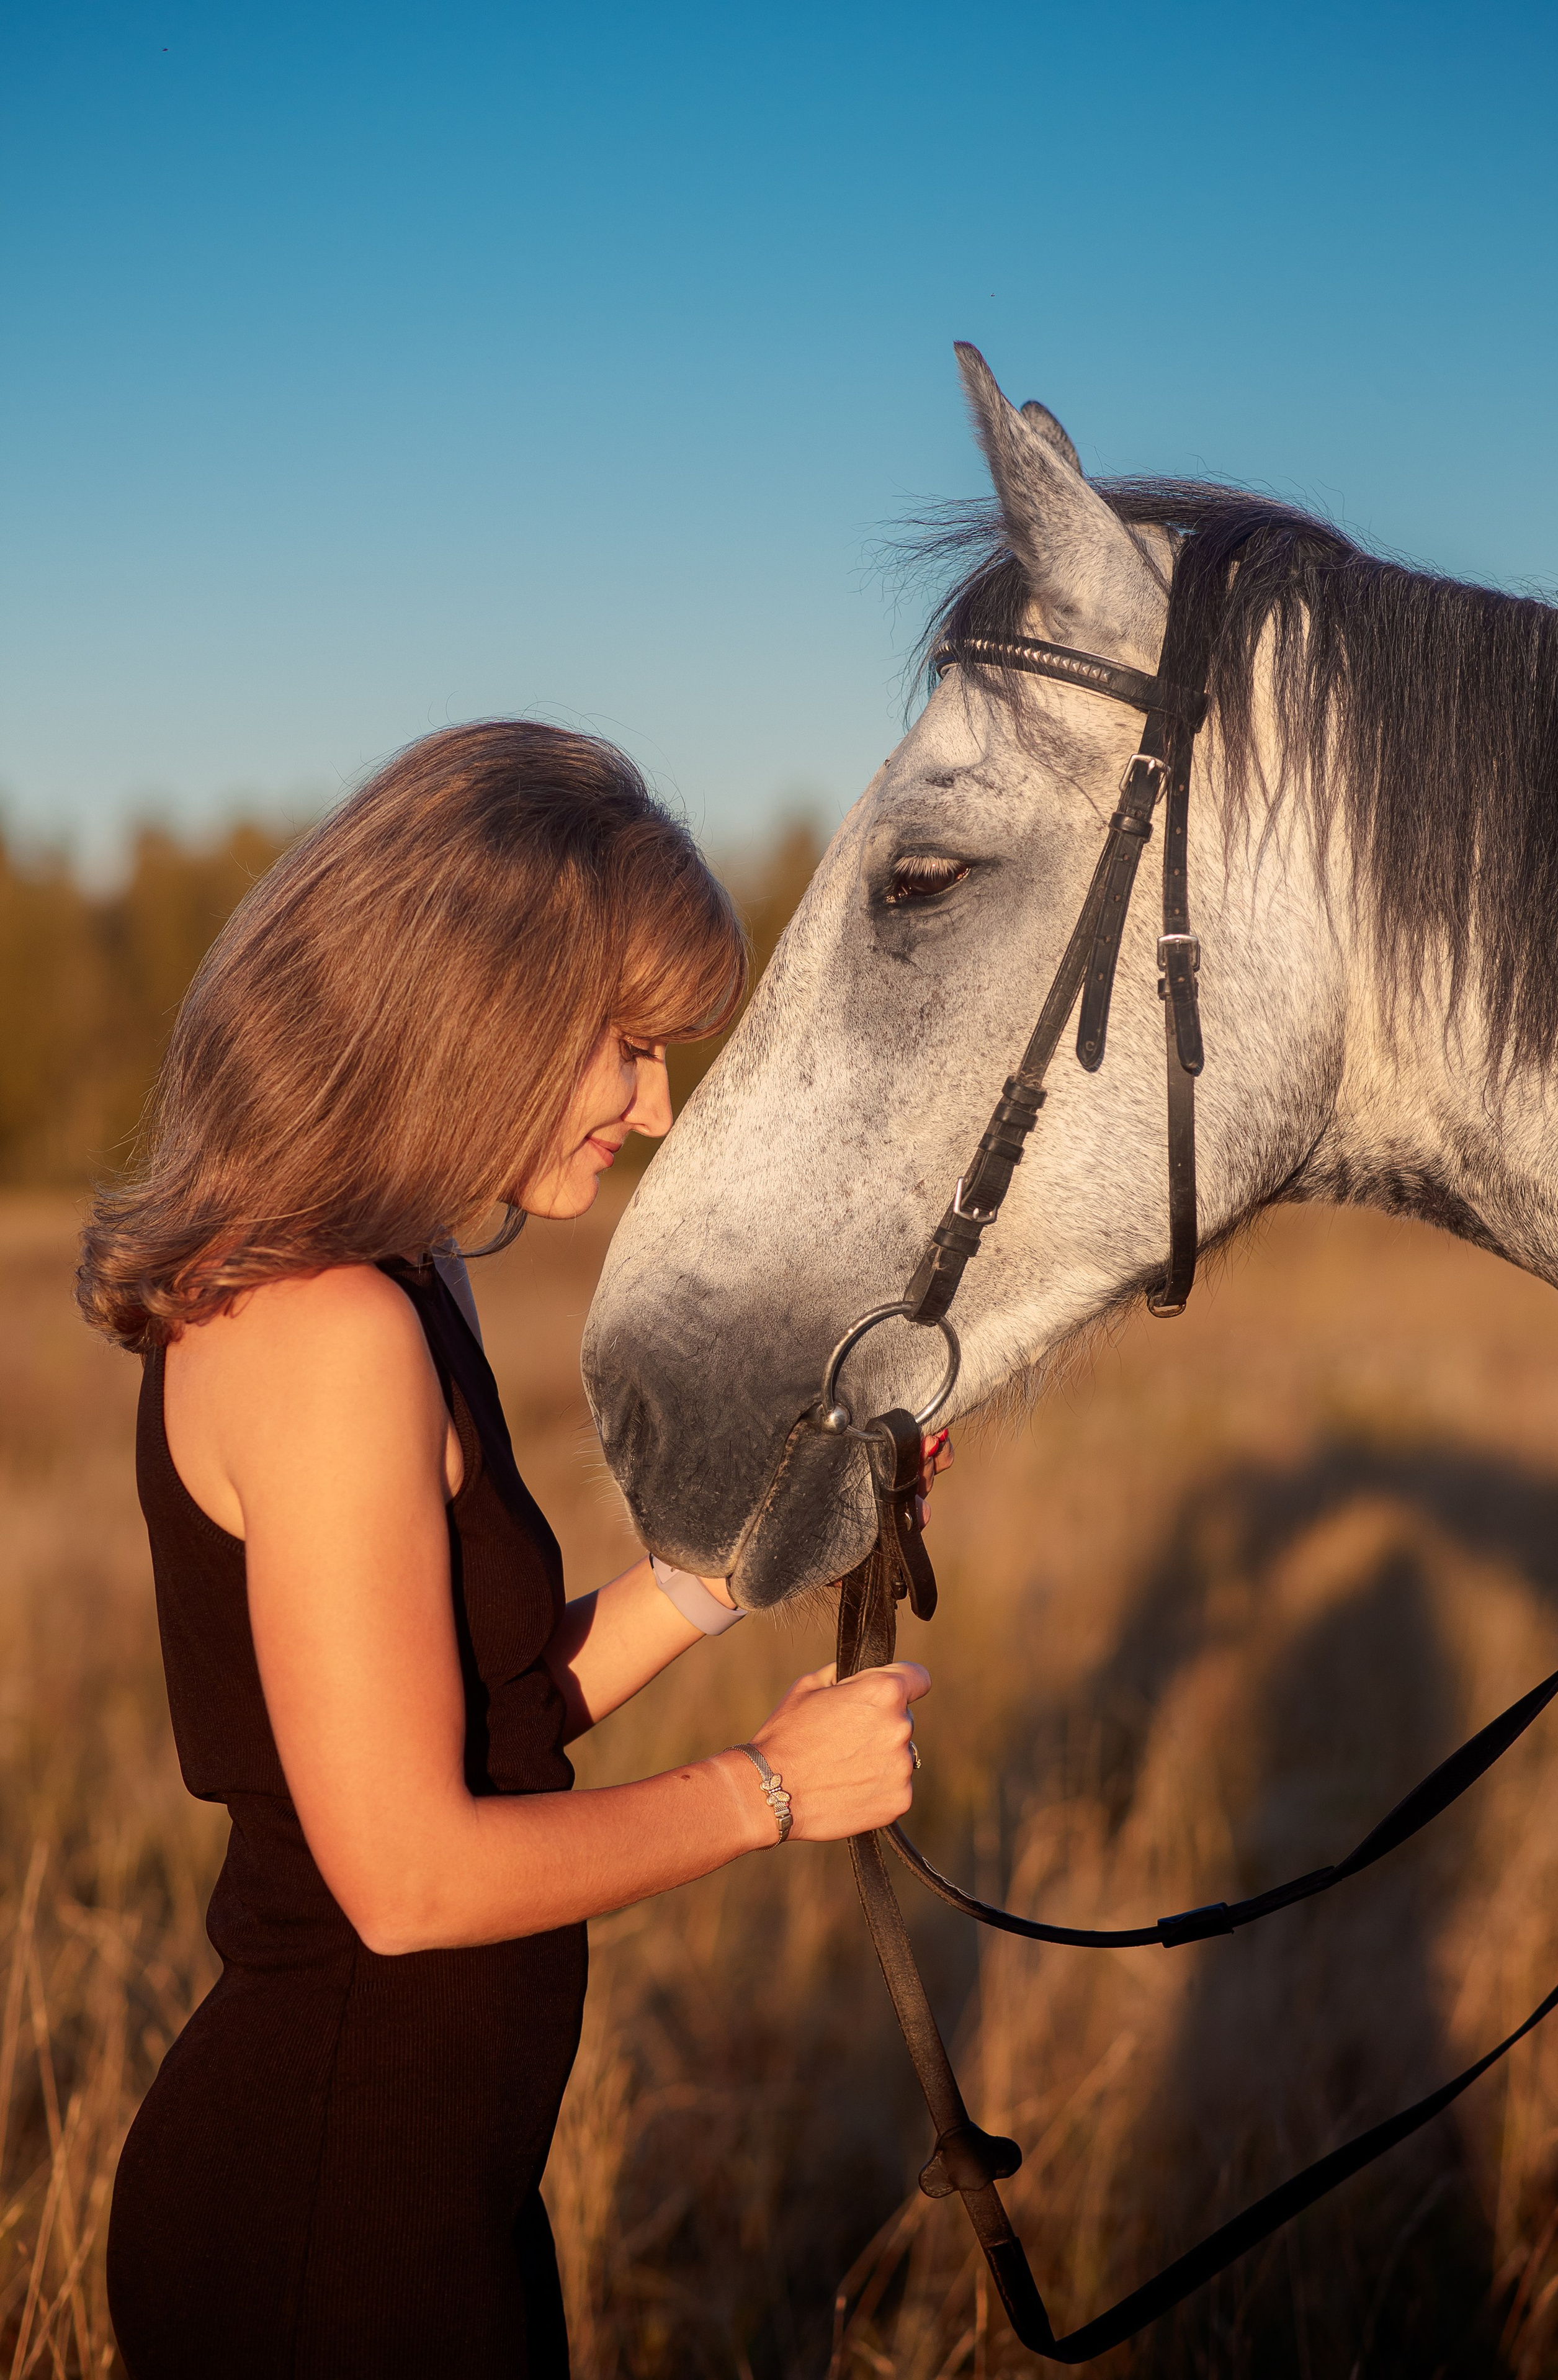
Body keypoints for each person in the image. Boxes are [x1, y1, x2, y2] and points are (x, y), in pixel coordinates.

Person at [77, 722, 946, 2380]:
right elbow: (406, 1881)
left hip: (422, 2195)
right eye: (623, 1043)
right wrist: (768, 1791)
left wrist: (734, 1557)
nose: (659, 1099)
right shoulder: (325, 1327)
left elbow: (488, 1714)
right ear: (479, 1014)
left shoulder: (402, 1272)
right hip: (324, 2229)